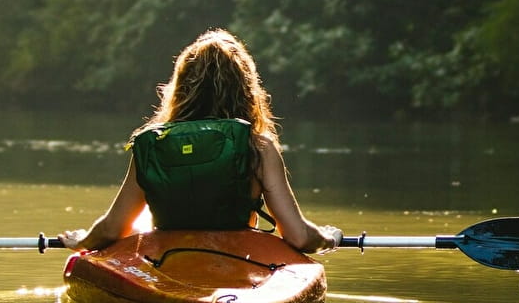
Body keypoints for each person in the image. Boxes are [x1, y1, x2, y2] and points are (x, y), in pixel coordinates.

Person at [60, 28, 341, 254]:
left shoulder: (153, 145)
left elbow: (112, 230)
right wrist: (328, 237)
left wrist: (83, 241)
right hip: (239, 260)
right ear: (246, 90)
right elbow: (299, 237)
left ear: (180, 87)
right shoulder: (258, 148)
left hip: (167, 261)